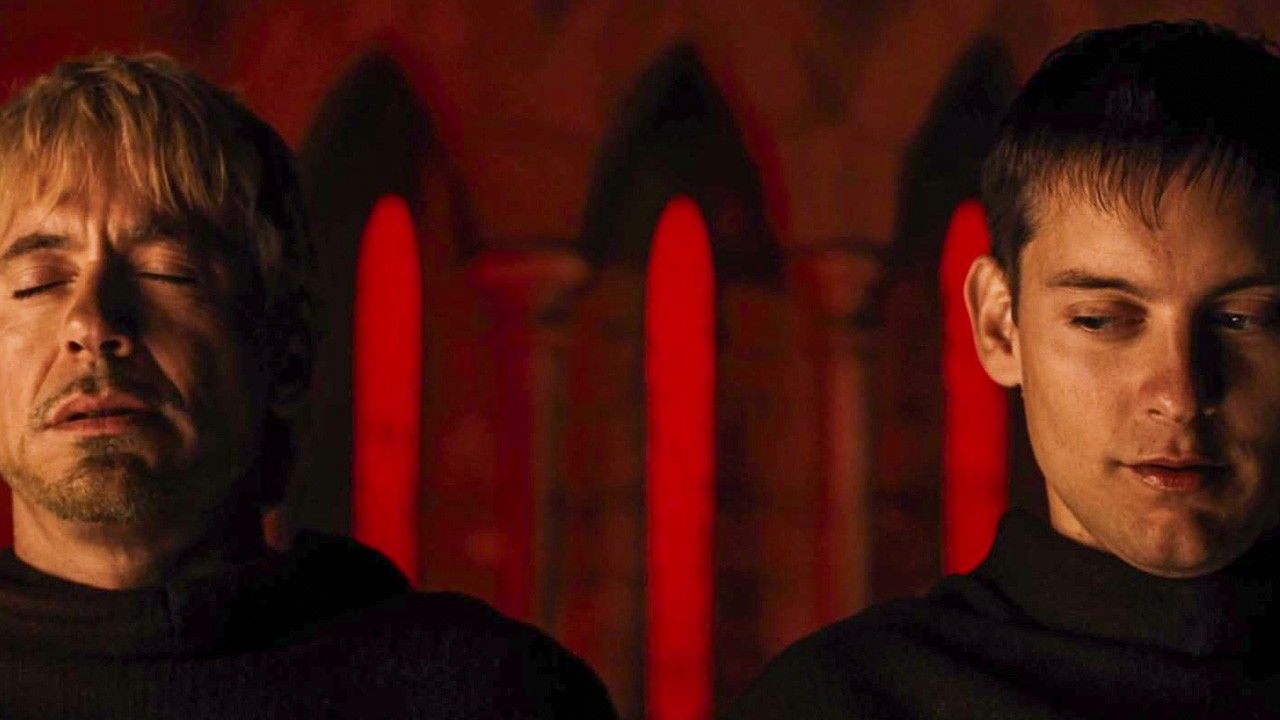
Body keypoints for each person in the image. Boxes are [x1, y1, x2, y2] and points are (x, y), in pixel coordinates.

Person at [0, 54, 615, 719]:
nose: (92, 324)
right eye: (37, 283)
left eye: (168, 271)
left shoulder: (492, 697)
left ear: (286, 355)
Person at [724, 20, 1280, 719]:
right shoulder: (842, 703)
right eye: (1100, 320)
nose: (1180, 395)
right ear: (999, 325)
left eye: (1243, 319)